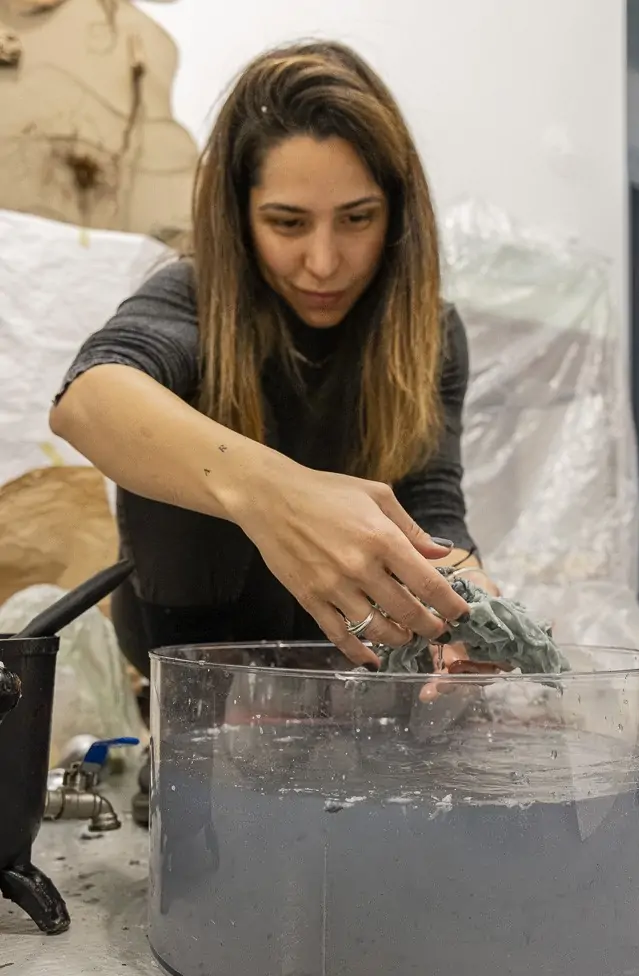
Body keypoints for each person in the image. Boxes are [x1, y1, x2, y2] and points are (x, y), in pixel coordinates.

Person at [51, 39, 498, 683]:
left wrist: (469, 600)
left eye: (358, 219)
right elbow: (90, 399)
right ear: (239, 217)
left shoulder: (430, 333)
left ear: (399, 214)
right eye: (288, 223)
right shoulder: (192, 299)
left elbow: (430, 504)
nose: (324, 262)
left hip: (356, 684)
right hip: (191, 679)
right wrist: (279, 498)